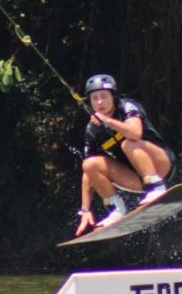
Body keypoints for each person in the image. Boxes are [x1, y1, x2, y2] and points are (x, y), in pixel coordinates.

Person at [74, 73, 176, 237]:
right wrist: (85, 209)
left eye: (104, 97)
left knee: (128, 143)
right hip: (135, 180)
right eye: (94, 98)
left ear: (113, 96)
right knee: (89, 164)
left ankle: (157, 186)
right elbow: (89, 173)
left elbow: (135, 133)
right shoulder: (92, 130)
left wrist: (108, 122)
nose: (99, 102)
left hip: (160, 164)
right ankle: (116, 208)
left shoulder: (126, 106)